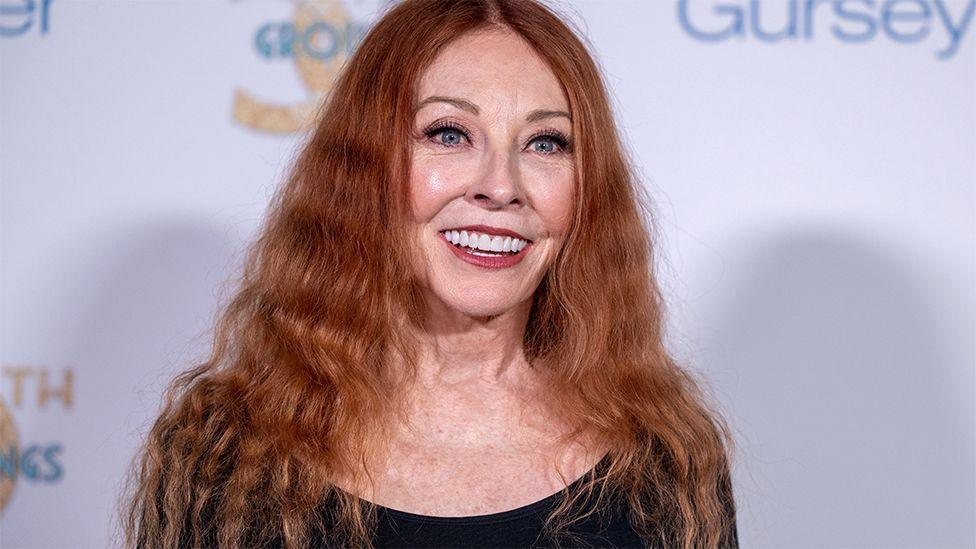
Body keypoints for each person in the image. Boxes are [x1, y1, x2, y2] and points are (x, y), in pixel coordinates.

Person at [121, 0, 739, 547]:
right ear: (366, 170)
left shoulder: (665, 459)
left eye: (546, 143)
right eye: (449, 134)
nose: (501, 186)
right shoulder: (225, 454)